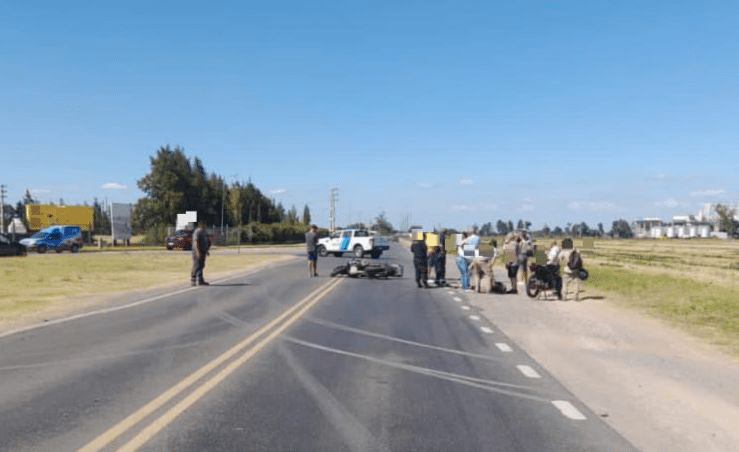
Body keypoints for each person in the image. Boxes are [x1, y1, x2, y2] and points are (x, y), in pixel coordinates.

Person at [191, 222, 211, 286]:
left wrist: (207, 250)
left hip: (203, 251)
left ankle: (200, 280)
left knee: (201, 265)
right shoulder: (197, 232)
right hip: (197, 251)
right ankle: (193, 280)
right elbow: (195, 242)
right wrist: (197, 252)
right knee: (196, 265)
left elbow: (207, 242)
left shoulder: (204, 232)